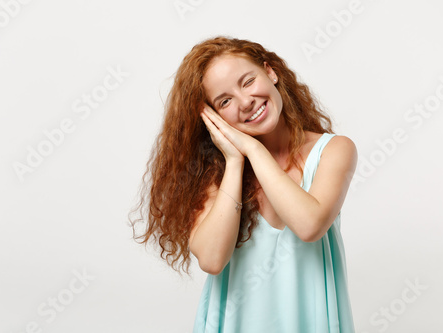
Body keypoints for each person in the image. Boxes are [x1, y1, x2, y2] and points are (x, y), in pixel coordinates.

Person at [128, 36, 358, 332]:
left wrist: (254, 150)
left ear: (271, 72)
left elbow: (309, 225)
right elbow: (211, 259)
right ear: (212, 118)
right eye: (225, 101)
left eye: (248, 82)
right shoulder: (215, 173)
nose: (246, 101)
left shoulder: (334, 150)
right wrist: (235, 162)